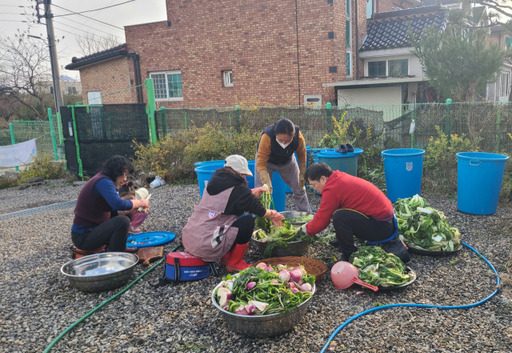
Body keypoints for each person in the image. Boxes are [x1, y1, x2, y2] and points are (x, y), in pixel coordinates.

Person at [182, 154, 284, 272]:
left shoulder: (214, 182)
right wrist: (274, 214)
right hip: (207, 245)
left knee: (227, 222)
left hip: (192, 239)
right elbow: (260, 211)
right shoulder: (239, 191)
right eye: (243, 175)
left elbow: (232, 198)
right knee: (247, 222)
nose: (245, 179)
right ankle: (234, 263)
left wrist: (250, 193)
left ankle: (225, 257)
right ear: (237, 173)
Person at [301, 162, 410, 263]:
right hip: (388, 223)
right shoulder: (338, 178)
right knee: (339, 212)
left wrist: (303, 231)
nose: (315, 189)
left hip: (382, 228)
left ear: (323, 179)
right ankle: (342, 240)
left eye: (314, 185)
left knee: (340, 217)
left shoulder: (332, 189)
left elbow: (322, 220)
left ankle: (349, 255)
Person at [71, 155, 150, 253]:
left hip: (92, 230)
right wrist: (139, 202)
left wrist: (129, 209)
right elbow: (117, 204)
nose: (125, 179)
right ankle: (115, 253)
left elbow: (109, 211)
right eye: (124, 174)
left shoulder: (103, 179)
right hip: (83, 237)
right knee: (123, 221)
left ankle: (117, 246)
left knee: (126, 214)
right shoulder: (103, 182)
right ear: (117, 172)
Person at [254, 118, 311, 212]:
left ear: (293, 136)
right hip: (267, 163)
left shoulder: (298, 137)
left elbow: (302, 156)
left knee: (299, 187)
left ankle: (306, 214)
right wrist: (266, 182)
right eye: (281, 140)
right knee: (262, 192)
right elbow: (260, 163)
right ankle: (261, 217)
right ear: (276, 134)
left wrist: (302, 174)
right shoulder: (267, 136)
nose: (284, 142)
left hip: (287, 161)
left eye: (287, 140)